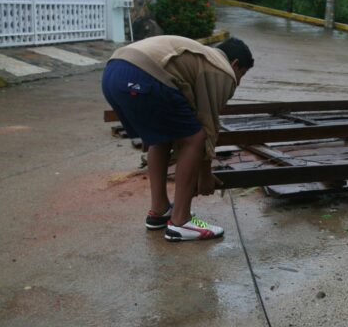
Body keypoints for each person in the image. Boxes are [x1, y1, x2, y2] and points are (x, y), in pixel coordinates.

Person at [102, 35, 253, 241]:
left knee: (161, 138)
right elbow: (207, 126)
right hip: (143, 76)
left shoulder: (201, 55)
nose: (239, 81)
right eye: (242, 74)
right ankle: (181, 221)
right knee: (195, 137)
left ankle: (159, 210)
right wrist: (205, 175)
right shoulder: (223, 71)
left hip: (113, 73)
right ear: (235, 64)